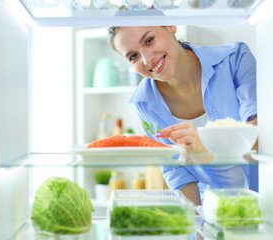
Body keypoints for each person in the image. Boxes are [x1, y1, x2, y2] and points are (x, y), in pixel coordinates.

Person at [107, 26, 257, 205]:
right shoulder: (144, 103)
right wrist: (196, 227)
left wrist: (208, 143)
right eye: (133, 56)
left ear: (170, 27)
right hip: (214, 209)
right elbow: (177, 174)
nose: (147, 60)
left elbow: (262, 134)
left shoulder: (235, 58)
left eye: (149, 40)